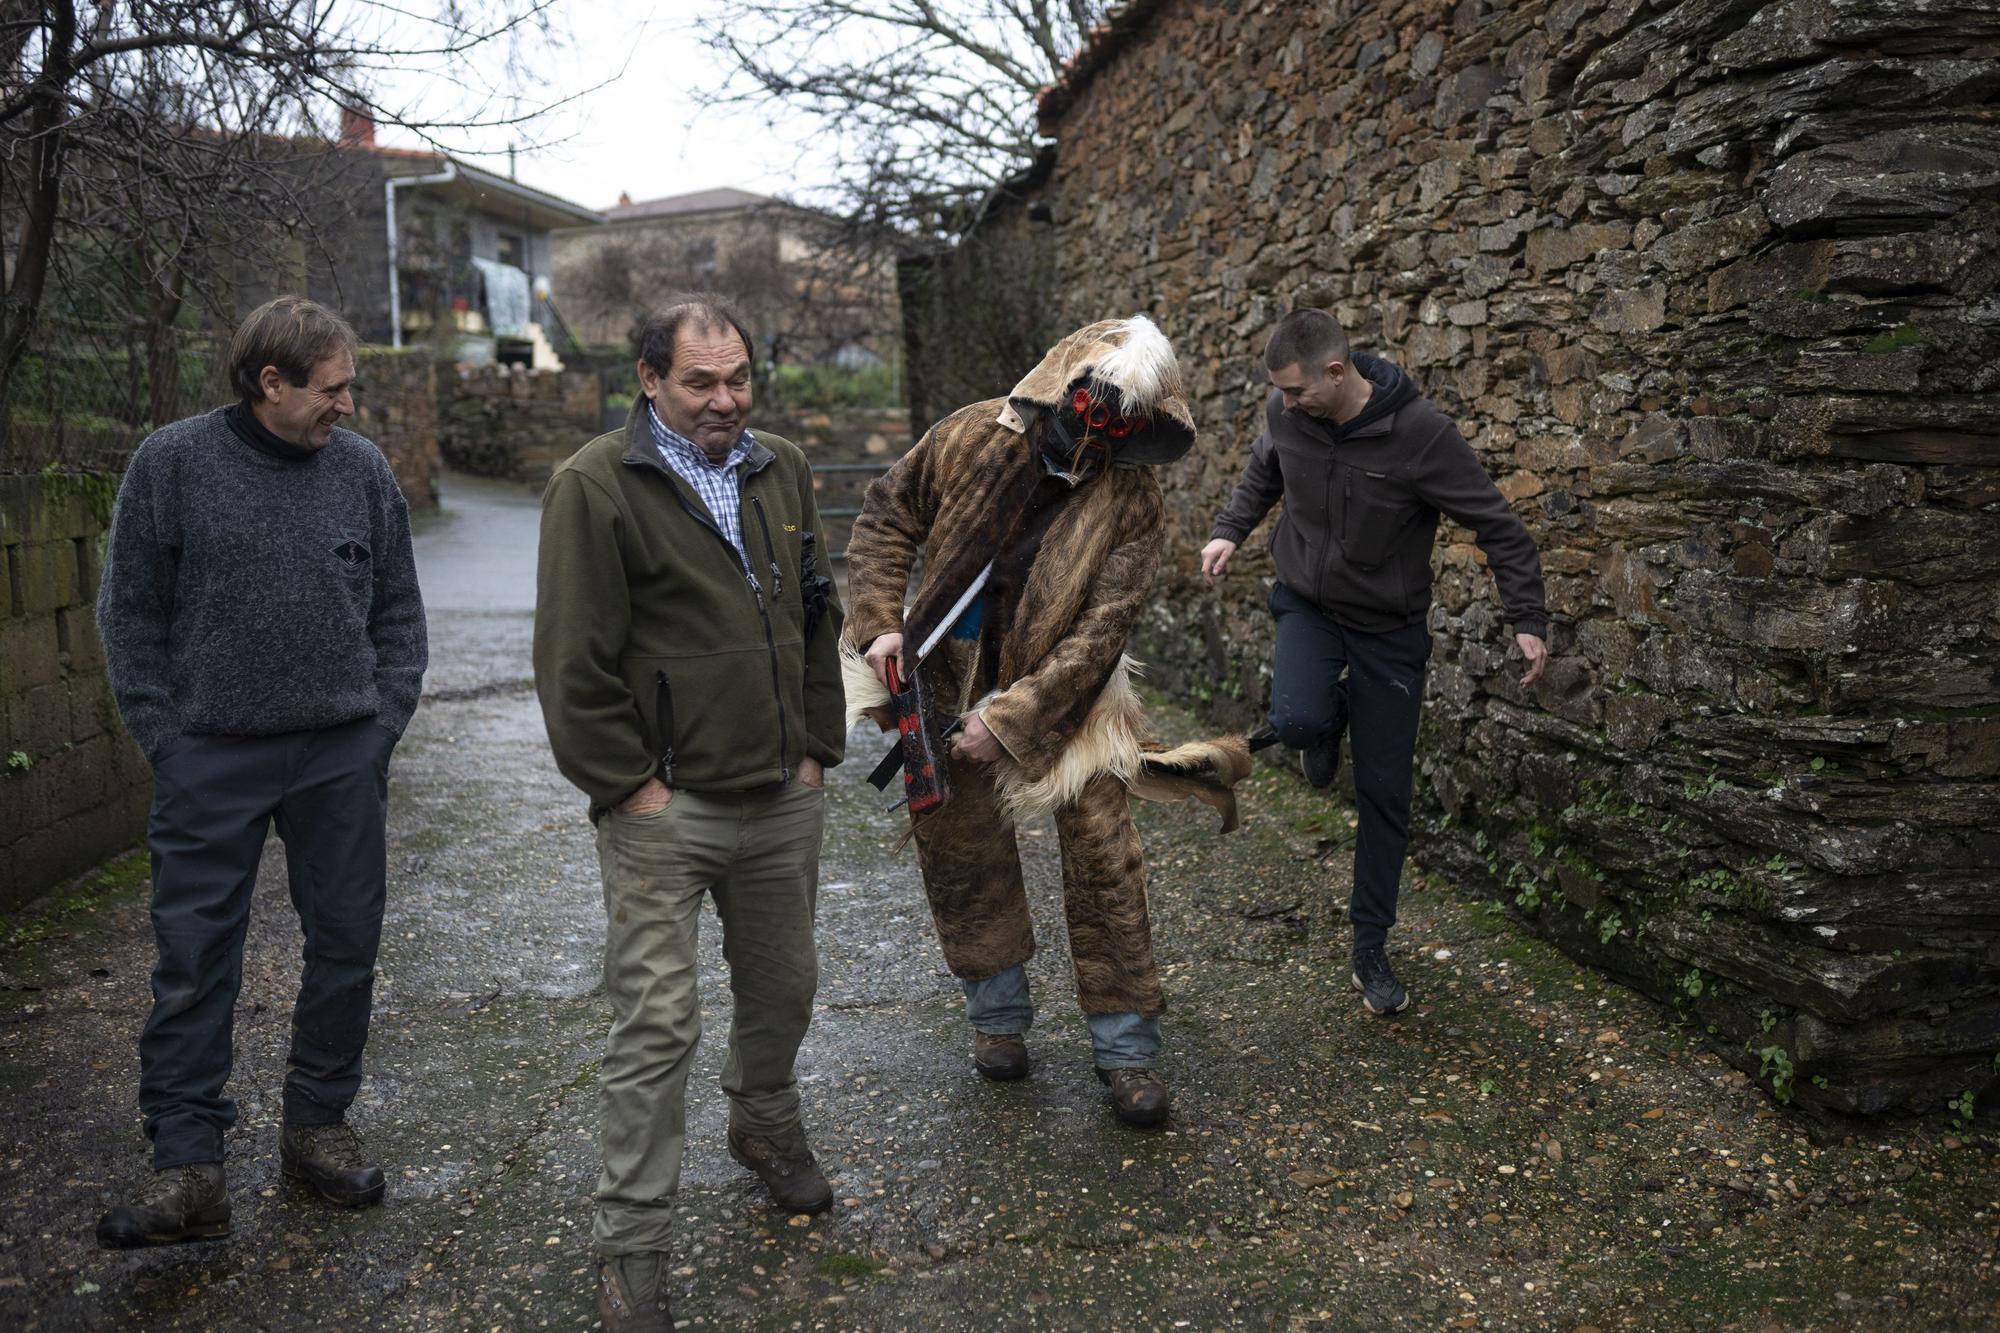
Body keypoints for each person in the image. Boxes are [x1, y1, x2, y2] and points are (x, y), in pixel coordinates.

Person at [843, 315, 1248, 1130]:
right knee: (960, 850)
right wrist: (881, 624)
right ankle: (997, 1021)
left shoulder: (1133, 498)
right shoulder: (969, 437)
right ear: (1064, 387)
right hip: (947, 677)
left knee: (1105, 855)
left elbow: (1103, 631)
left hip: (1072, 704)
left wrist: (1014, 718)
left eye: (1122, 418)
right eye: (1092, 405)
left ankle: (1126, 1051)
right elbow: (887, 516)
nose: (1099, 429)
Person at [534, 295, 844, 1333]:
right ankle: (632, 1251)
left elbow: (817, 611)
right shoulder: (595, 484)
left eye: (738, 377)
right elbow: (571, 661)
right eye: (700, 381)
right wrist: (631, 785)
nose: (724, 399)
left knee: (785, 988)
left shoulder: (781, 467)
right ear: (650, 381)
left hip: (780, 793)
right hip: (665, 809)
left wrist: (816, 747)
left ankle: (764, 1122)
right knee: (657, 1026)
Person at [93, 296, 428, 1247]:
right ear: (269, 383)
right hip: (211, 754)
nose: (348, 406)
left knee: (346, 944)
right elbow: (130, 614)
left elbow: (399, 614)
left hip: (340, 752)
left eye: (350, 387)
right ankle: (187, 1165)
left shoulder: (361, 471)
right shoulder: (172, 463)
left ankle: (317, 1125)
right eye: (332, 389)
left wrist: (378, 728)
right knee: (194, 958)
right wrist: (170, 740)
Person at [1202, 307, 1547, 1016]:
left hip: (1389, 628)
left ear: (1337, 372)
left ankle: (1370, 946)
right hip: (1308, 604)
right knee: (1296, 720)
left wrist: (1527, 619)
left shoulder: (1421, 435)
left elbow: (1498, 525)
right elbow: (1265, 468)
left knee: (1384, 793)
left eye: (1296, 391)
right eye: (1280, 393)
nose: (1285, 405)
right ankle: (1323, 724)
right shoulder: (1287, 413)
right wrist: (1230, 530)